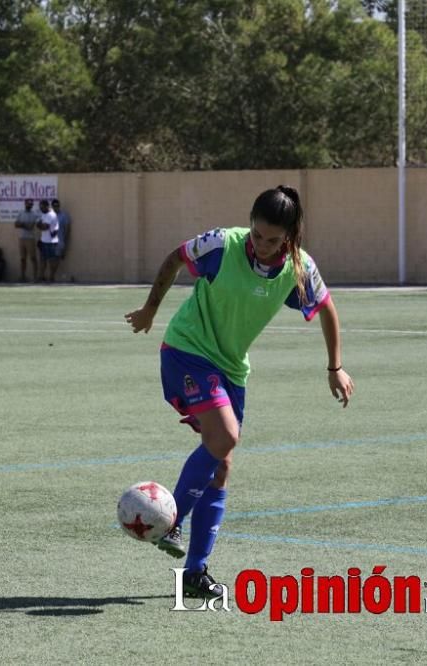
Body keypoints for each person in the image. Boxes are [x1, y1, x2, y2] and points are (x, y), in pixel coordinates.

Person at [124, 186, 355, 599]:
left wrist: (334, 367)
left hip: (231, 368)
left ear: (289, 236)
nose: (262, 246)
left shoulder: (298, 268)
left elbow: (326, 309)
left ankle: (194, 573)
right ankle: (172, 518)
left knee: (222, 465)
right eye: (257, 234)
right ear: (249, 223)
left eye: (273, 240)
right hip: (187, 350)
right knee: (226, 436)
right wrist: (150, 309)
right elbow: (175, 259)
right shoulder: (223, 244)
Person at [14, 198, 40, 282]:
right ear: (25, 204)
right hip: (21, 238)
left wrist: (22, 224)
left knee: (33, 258)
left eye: (31, 204)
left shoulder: (34, 214)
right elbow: (16, 224)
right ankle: (22, 276)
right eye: (28, 203)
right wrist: (25, 224)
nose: (30, 205)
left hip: (30, 239)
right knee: (22, 259)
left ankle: (35, 277)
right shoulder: (21, 213)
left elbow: (31, 226)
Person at [36, 199, 60, 283]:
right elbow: (39, 225)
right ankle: (41, 277)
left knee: (51, 260)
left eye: (42, 207)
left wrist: (39, 224)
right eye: (40, 207)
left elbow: (44, 227)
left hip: (51, 241)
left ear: (47, 206)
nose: (41, 209)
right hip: (44, 240)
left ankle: (51, 277)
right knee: (42, 259)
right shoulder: (43, 214)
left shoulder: (51, 215)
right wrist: (39, 225)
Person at [52, 198, 71, 268]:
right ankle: (50, 276)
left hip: (60, 241)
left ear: (59, 206)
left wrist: (65, 242)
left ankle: (51, 277)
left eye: (57, 206)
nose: (56, 207)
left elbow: (67, 229)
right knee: (50, 259)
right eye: (54, 206)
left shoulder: (64, 216)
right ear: (52, 206)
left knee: (56, 259)